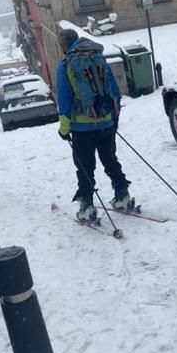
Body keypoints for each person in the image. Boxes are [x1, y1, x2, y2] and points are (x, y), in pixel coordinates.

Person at [56, 28, 131, 222]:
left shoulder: (66, 66)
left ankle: (87, 206)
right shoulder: (99, 59)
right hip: (106, 121)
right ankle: (122, 194)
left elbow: (64, 100)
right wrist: (114, 119)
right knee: (110, 159)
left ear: (64, 46)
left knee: (85, 167)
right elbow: (114, 90)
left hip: (82, 128)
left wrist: (64, 129)